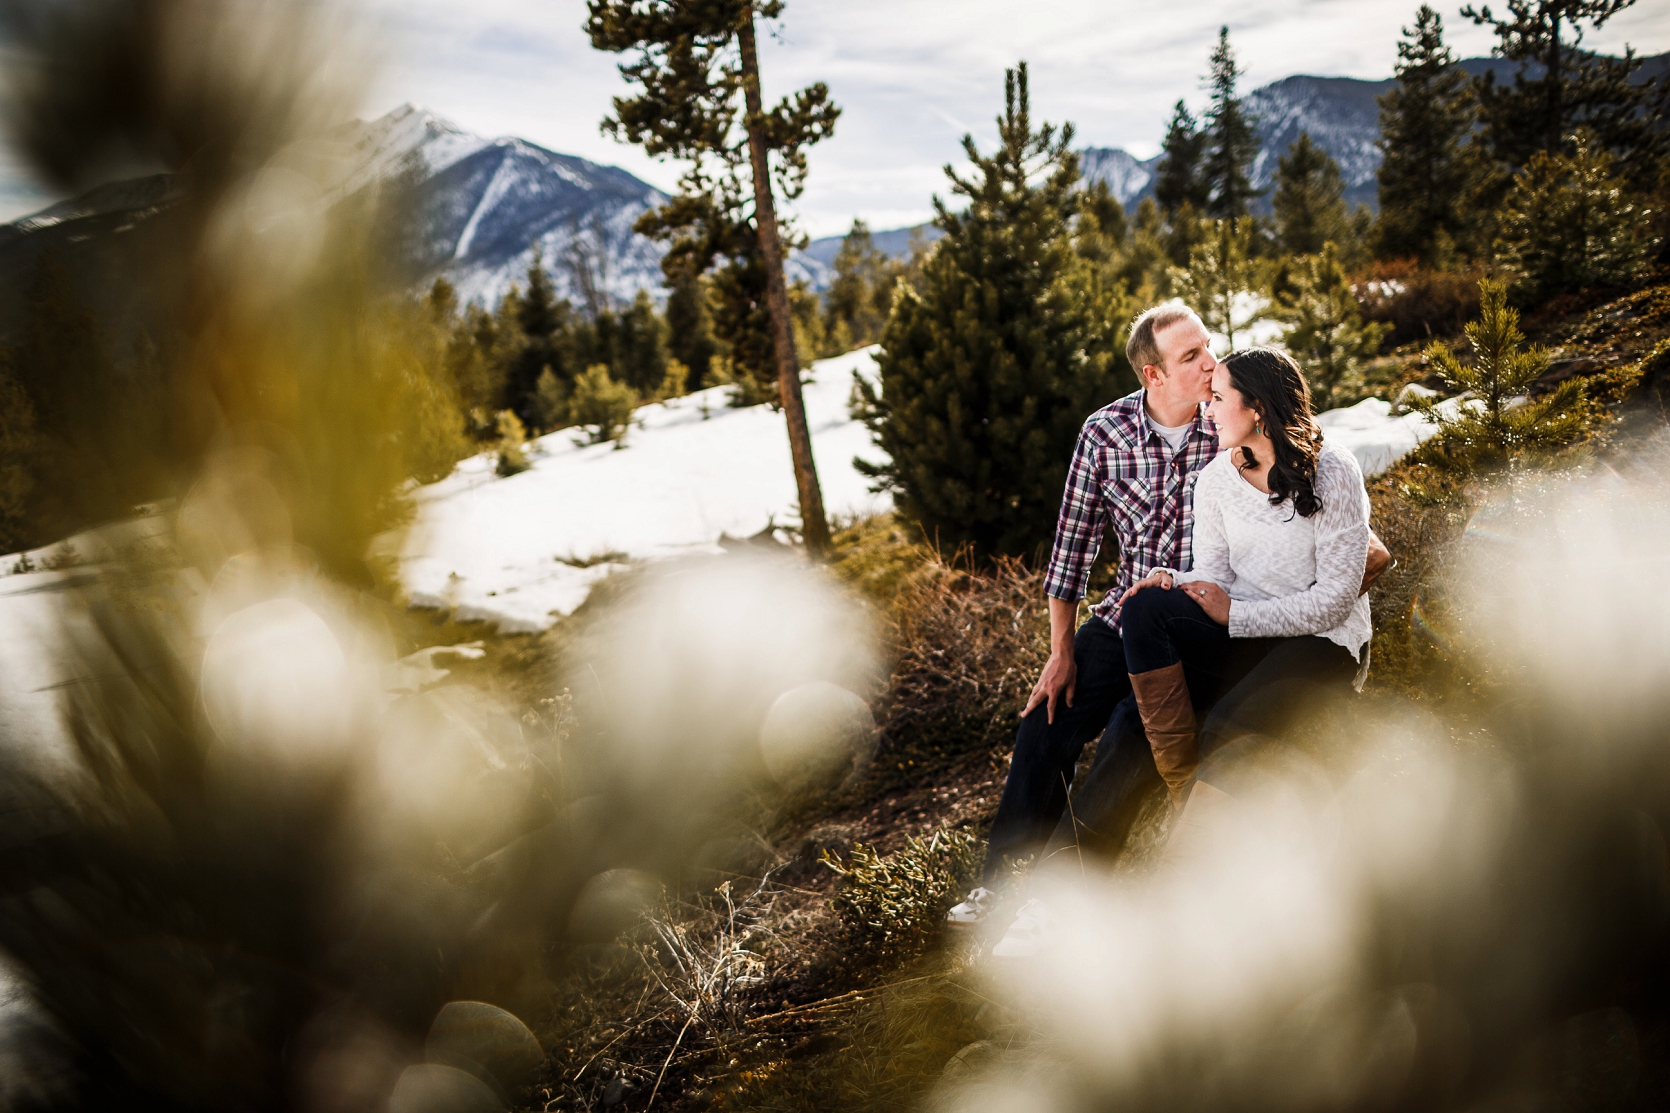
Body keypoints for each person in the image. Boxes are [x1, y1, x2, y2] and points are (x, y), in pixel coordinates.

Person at [945, 307, 1388, 938]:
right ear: (1153, 374)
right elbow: (1073, 548)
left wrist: (1310, 624)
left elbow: (1334, 524)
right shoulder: (1108, 434)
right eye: (1190, 358)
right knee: (1048, 718)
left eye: (1209, 349)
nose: (1209, 364)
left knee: (1133, 727)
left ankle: (1080, 891)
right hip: (1137, 610)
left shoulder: (1236, 422)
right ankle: (1002, 886)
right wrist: (1060, 649)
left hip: (1213, 621)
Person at [1120, 346, 1372, 819]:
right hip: (1249, 637)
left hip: (1323, 642)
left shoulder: (1333, 469)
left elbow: (1336, 602)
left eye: (1217, 398)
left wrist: (1236, 615)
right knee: (1145, 607)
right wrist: (1174, 579)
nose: (1207, 410)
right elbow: (1216, 576)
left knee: (1222, 727)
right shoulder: (1214, 480)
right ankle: (1180, 788)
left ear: (1257, 406)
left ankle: (1198, 856)